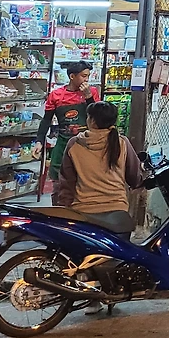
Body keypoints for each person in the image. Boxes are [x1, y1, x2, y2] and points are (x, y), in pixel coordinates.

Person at [55, 101, 143, 314]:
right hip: (117, 212)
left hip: (84, 211)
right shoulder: (121, 143)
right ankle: (112, 294)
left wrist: (62, 209)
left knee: (85, 257)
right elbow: (134, 177)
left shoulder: (74, 144)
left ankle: (91, 298)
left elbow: (66, 183)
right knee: (114, 257)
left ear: (91, 121)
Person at [40, 61, 100, 185]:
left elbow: (97, 117)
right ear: (72, 76)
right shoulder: (56, 95)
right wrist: (39, 141)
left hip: (87, 143)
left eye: (88, 76)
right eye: (84, 76)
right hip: (63, 142)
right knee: (59, 178)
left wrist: (88, 97)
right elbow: (46, 119)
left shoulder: (92, 92)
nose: (86, 80)